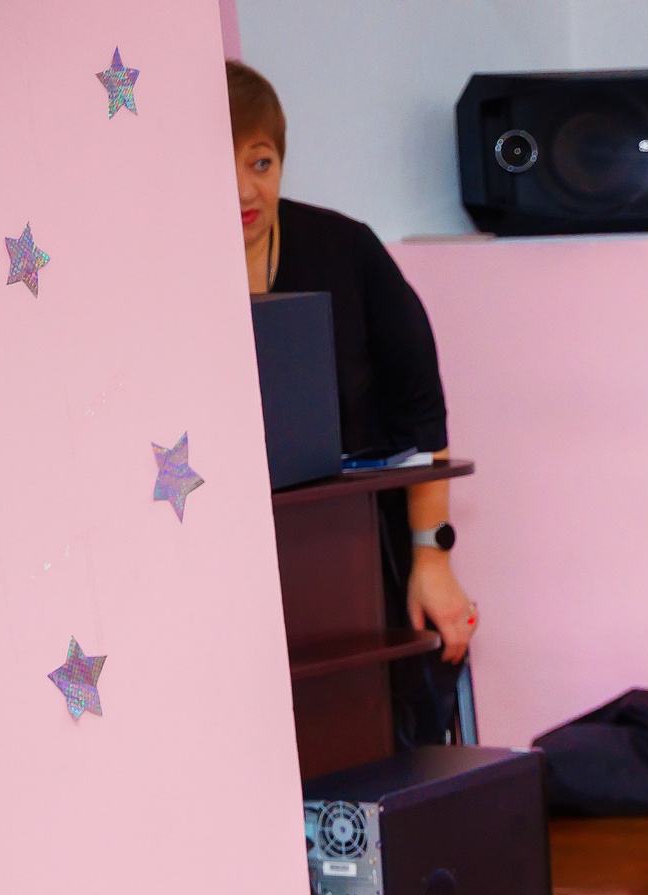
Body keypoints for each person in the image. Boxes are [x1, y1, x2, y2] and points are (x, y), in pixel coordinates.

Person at [229, 60, 477, 746]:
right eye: (218, 164)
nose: (244, 188)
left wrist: (433, 559)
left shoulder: (347, 248)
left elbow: (421, 415)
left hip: (358, 554)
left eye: (261, 161)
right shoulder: (151, 274)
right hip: (230, 565)